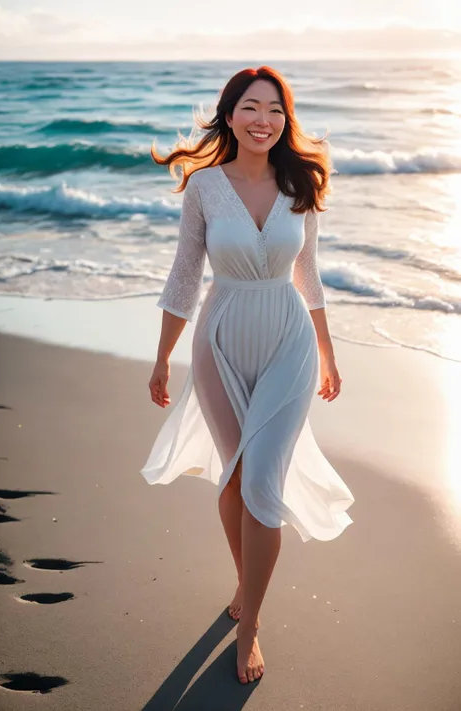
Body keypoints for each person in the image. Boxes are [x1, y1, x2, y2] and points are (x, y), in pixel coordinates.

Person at [141, 65, 354, 685]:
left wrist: (329, 352)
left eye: (277, 110)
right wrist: (161, 356)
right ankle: (247, 583)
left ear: (287, 121)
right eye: (251, 108)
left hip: (289, 341)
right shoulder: (205, 186)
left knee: (262, 482)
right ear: (229, 115)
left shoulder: (301, 183)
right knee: (235, 478)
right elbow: (184, 276)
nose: (265, 120)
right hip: (220, 338)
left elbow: (308, 271)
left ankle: (250, 624)